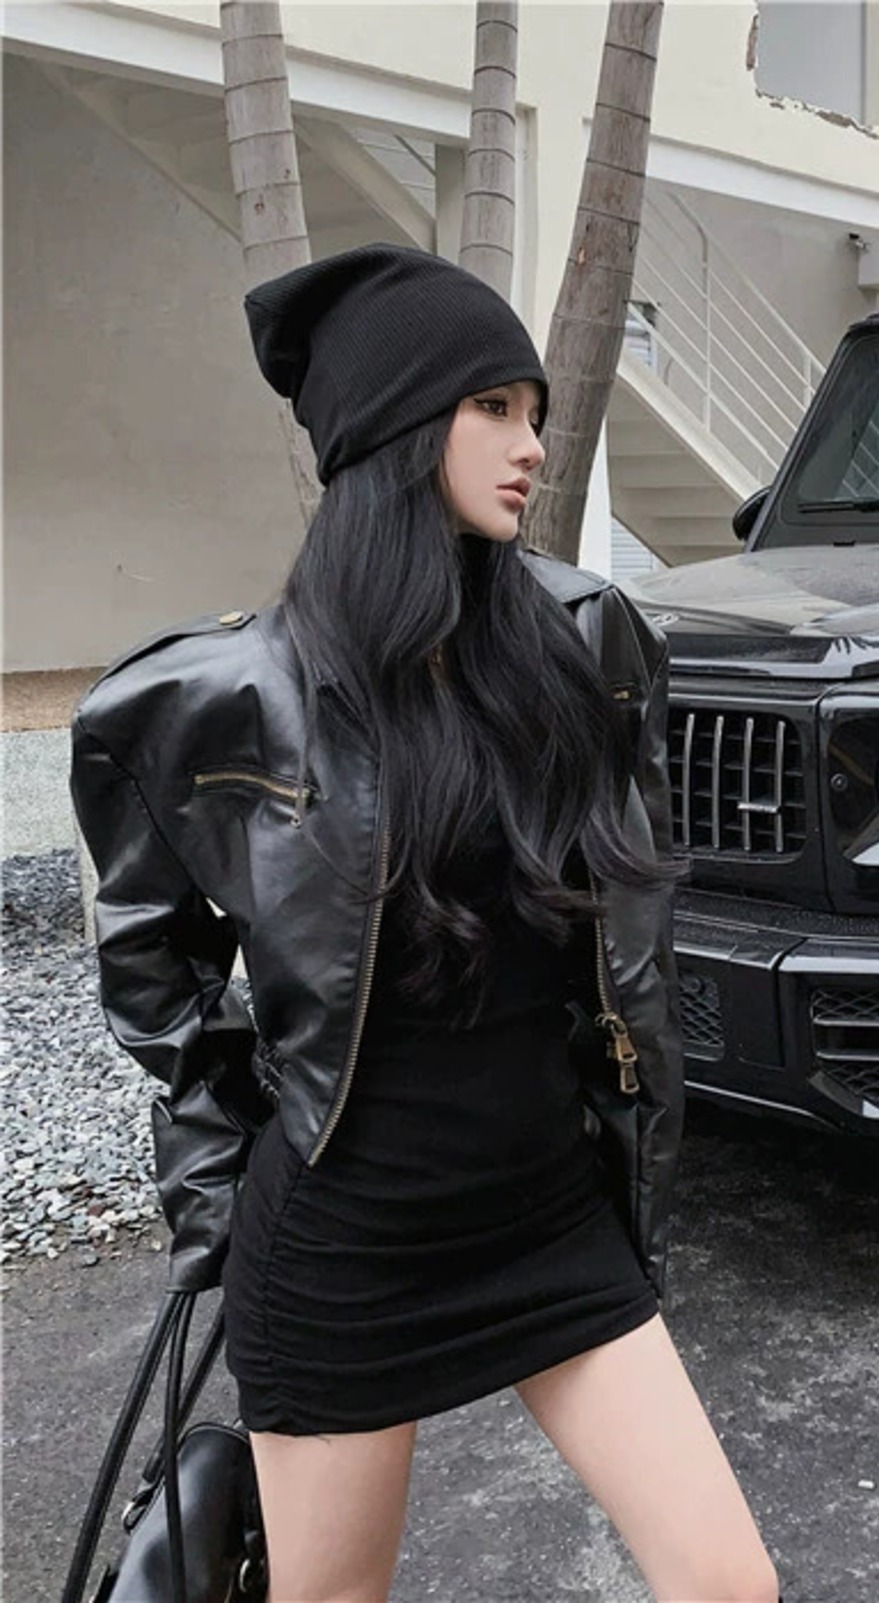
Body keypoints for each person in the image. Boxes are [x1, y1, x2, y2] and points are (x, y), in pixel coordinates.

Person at [70, 245, 780, 1603]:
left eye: (534, 411)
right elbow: (155, 973)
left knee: (728, 1583)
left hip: (547, 1219)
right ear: (395, 430)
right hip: (342, 1243)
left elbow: (620, 949)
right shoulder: (223, 701)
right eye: (492, 408)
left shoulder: (577, 650)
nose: (530, 445)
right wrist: (221, 1183)